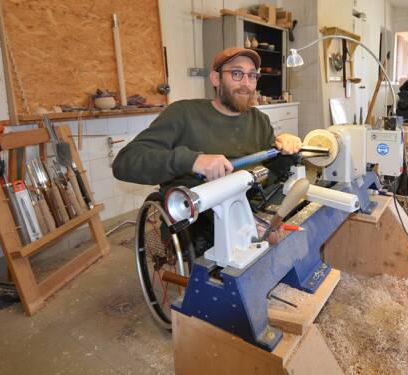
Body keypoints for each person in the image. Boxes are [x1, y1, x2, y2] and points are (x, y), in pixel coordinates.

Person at [112, 47, 302, 254]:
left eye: (252, 76)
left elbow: (271, 173)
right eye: (237, 74)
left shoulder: (259, 120)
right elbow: (125, 162)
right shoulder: (183, 113)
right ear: (215, 78)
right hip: (198, 215)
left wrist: (284, 147)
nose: (246, 84)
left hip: (246, 205)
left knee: (289, 233)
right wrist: (192, 160)